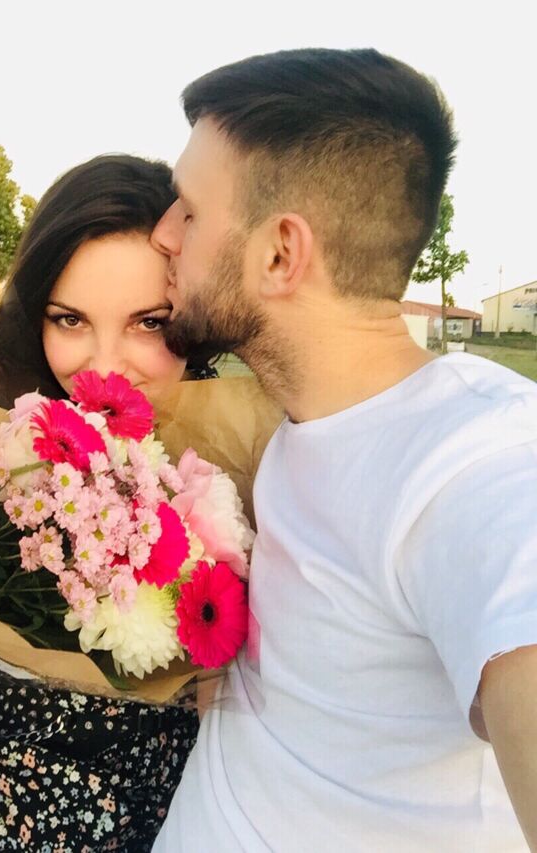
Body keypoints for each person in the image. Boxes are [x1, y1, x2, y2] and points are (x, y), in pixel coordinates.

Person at [150, 48, 537, 851]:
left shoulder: (476, 462)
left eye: (188, 210)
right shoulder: (299, 423)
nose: (163, 234)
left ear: (280, 254)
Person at [0, 154, 219, 852]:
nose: (102, 366)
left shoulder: (248, 475)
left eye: (149, 323)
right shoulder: (3, 439)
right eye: (70, 319)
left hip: (120, 790)